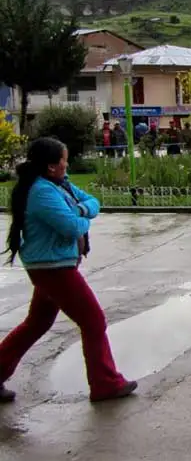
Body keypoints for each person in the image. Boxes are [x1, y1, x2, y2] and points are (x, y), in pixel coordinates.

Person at [0, 137, 137, 404]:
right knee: (93, 320)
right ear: (51, 166)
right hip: (53, 268)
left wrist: (79, 209)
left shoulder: (58, 185)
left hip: (54, 265)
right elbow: (72, 227)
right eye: (63, 160)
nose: (67, 164)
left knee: (37, 323)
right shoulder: (42, 192)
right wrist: (81, 215)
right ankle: (105, 383)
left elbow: (92, 201)